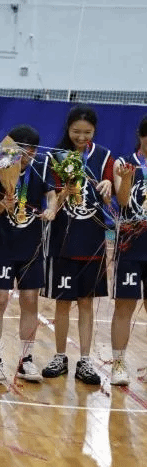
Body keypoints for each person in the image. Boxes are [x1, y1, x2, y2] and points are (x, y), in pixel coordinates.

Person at [41, 105, 113, 385]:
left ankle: (85, 360)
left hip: (92, 241)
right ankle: (60, 357)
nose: (81, 137)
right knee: (63, 303)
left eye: (87, 132)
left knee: (86, 303)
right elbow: (52, 203)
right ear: (67, 129)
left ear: (94, 131)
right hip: (63, 242)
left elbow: (111, 197)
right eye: (76, 132)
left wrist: (108, 185)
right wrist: (64, 193)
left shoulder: (104, 156)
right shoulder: (55, 156)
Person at [0, 125, 57, 383]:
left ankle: (26, 360)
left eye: (31, 150)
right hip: (2, 244)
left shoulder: (42, 166)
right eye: (21, 149)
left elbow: (52, 194)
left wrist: (52, 208)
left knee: (30, 300)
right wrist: (4, 202)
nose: (26, 155)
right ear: (11, 148)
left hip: (32, 246)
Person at [109, 115, 147, 386]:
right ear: (140, 136)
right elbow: (122, 202)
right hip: (131, 246)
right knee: (125, 305)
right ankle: (119, 364)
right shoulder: (124, 163)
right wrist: (126, 180)